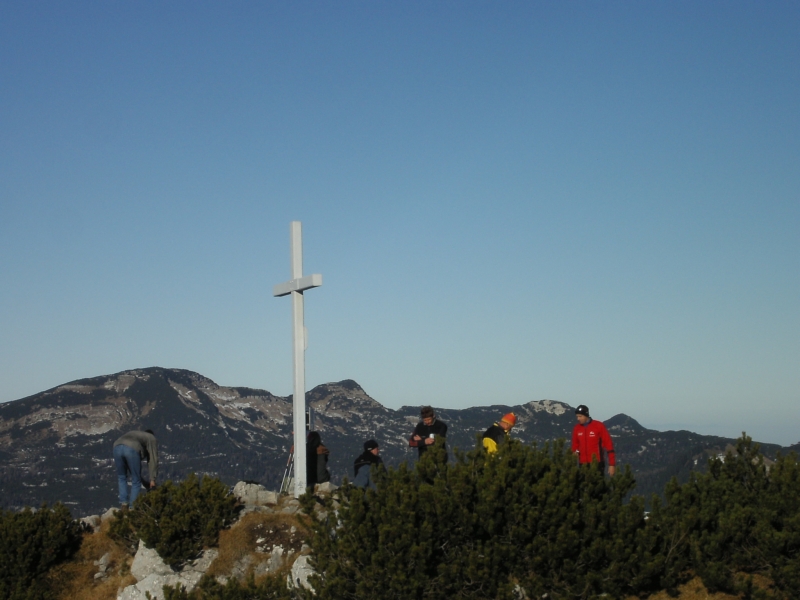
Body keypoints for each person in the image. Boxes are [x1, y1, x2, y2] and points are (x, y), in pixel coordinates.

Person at [113, 429, 158, 508]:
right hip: (131, 448)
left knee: (121, 477)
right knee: (136, 481)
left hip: (116, 447)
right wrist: (152, 479)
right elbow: (153, 459)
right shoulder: (151, 438)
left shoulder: (136, 434)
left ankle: (124, 504)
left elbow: (131, 468)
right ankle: (132, 507)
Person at [571, 405, 616, 476]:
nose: (578, 418)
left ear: (586, 415)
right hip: (582, 464)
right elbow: (575, 445)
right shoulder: (577, 428)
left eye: (580, 416)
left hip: (597, 463)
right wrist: (575, 453)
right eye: (577, 416)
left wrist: (612, 464)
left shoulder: (598, 426)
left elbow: (609, 445)